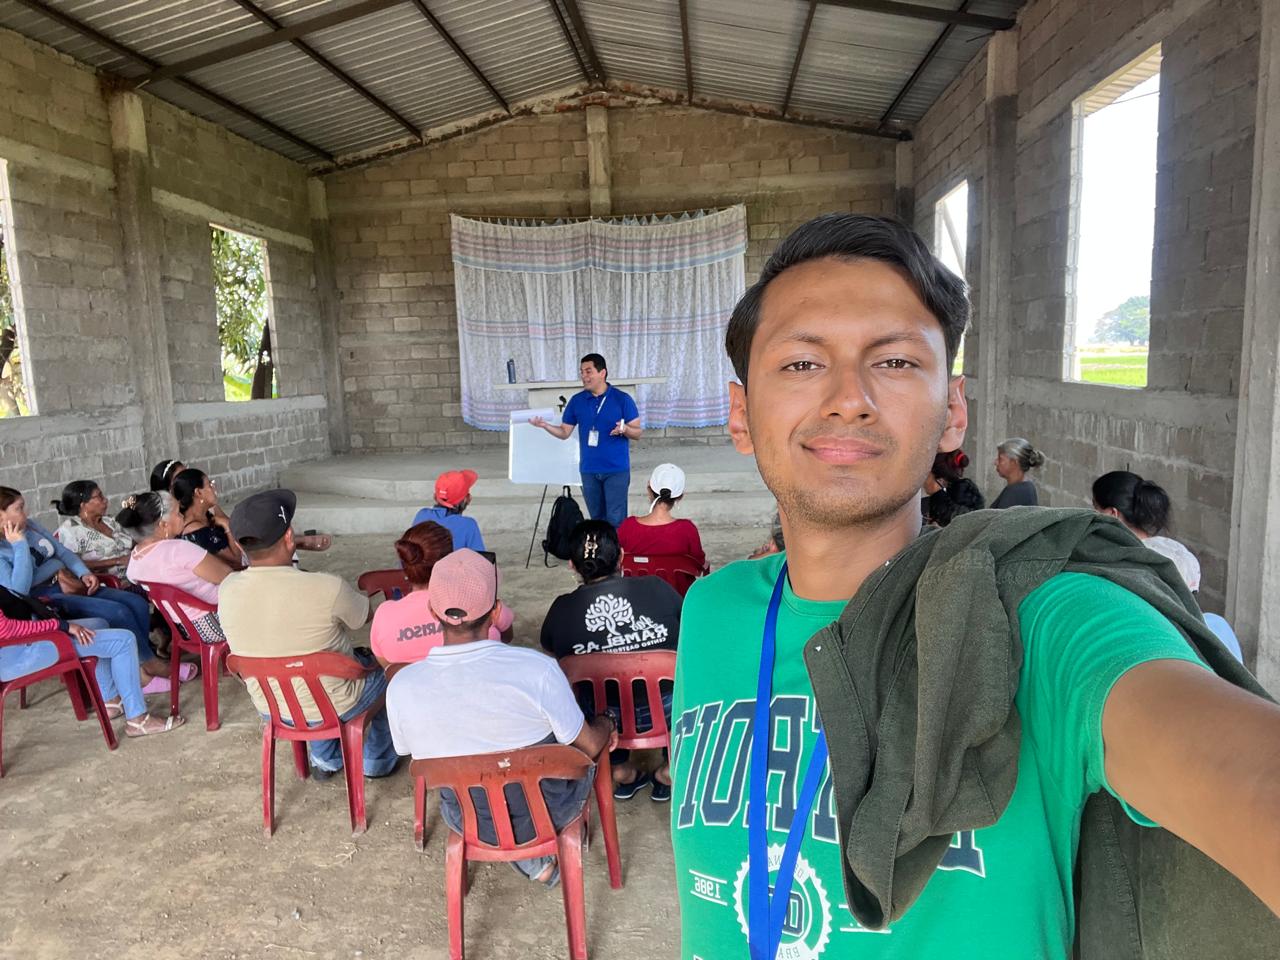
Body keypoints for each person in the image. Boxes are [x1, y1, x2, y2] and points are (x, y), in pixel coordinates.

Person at [670, 213, 1280, 960]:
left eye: (895, 362)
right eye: (801, 364)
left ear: (952, 411)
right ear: (740, 415)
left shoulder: (1040, 617)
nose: (848, 398)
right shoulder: (712, 612)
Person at [387, 548, 617, 885]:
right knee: (570, 747)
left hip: (467, 817)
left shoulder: (402, 685)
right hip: (548, 811)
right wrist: (607, 721)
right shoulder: (537, 670)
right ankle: (534, 857)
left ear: (432, 610)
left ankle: (533, 862)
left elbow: (409, 752)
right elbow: (588, 745)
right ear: (496, 612)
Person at [218, 489, 398, 780]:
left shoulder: (227, 588)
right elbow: (364, 616)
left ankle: (325, 759)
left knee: (305, 670)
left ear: (239, 545)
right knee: (389, 672)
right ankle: (376, 761)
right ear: (290, 537)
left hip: (271, 708)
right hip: (334, 705)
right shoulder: (327, 587)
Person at [540, 520, 681, 801]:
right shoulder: (658, 588)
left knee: (587, 695)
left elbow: (552, 656)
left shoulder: (562, 610)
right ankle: (671, 770)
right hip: (668, 710)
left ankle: (620, 771)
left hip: (605, 719)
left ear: (572, 565)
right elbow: (688, 632)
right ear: (621, 556)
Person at [0, 486, 181, 693]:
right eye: (19, 508)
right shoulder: (7, 547)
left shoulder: (30, 526)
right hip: (44, 602)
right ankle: (144, 669)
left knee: (136, 602)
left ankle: (143, 661)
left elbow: (61, 552)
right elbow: (19, 590)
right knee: (117, 612)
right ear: (1, 515)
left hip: (67, 585)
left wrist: (82, 573)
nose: (26, 513)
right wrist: (22, 547)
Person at [0, 595, 184, 737]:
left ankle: (110, 700)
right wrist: (62, 626)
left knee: (100, 624)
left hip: (24, 640)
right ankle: (138, 720)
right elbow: (7, 630)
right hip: (20, 652)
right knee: (124, 640)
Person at [369, 520, 514, 665]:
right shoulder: (480, 600)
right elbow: (507, 637)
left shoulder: (384, 615)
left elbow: (388, 668)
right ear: (449, 560)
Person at [530, 353, 642, 527]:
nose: (584, 376)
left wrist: (625, 429)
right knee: (596, 519)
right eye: (582, 372)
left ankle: (616, 546)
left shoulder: (622, 399)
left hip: (616, 470)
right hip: (589, 470)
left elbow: (638, 433)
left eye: (588, 371)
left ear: (602, 373)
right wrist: (545, 425)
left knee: (616, 519)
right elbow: (564, 432)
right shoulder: (577, 401)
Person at [124, 494, 233, 645]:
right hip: (215, 622)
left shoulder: (135, 559)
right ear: (164, 524)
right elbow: (227, 576)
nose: (182, 516)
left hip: (183, 628)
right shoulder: (177, 549)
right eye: (178, 513)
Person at [1091, 470, 1200, 592]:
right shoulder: (1179, 553)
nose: (1092, 515)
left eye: (1095, 508)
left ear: (1112, 514)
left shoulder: (1117, 560)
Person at [617, 463, 708, 574]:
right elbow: (700, 563)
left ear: (649, 490)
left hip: (634, 586)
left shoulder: (628, 526)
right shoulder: (687, 529)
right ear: (680, 496)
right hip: (677, 586)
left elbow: (616, 560)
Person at [53, 481, 136, 580]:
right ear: (83, 505)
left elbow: (133, 543)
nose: (105, 500)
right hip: (109, 583)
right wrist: (117, 561)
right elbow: (72, 564)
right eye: (99, 496)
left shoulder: (110, 521)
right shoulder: (71, 530)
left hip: (136, 575)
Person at [172, 468, 247, 570]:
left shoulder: (205, 514)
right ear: (198, 493)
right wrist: (226, 525)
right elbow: (238, 561)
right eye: (210, 485)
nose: (214, 488)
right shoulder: (197, 532)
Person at [410, 470, 486, 552]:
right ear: (467, 499)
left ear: (436, 496)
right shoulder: (468, 525)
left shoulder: (422, 515)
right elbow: (479, 557)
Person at [991, 437, 1045, 507]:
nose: (995, 462)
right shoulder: (1024, 487)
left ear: (1014, 462)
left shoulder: (1017, 492)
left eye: (1000, 459)